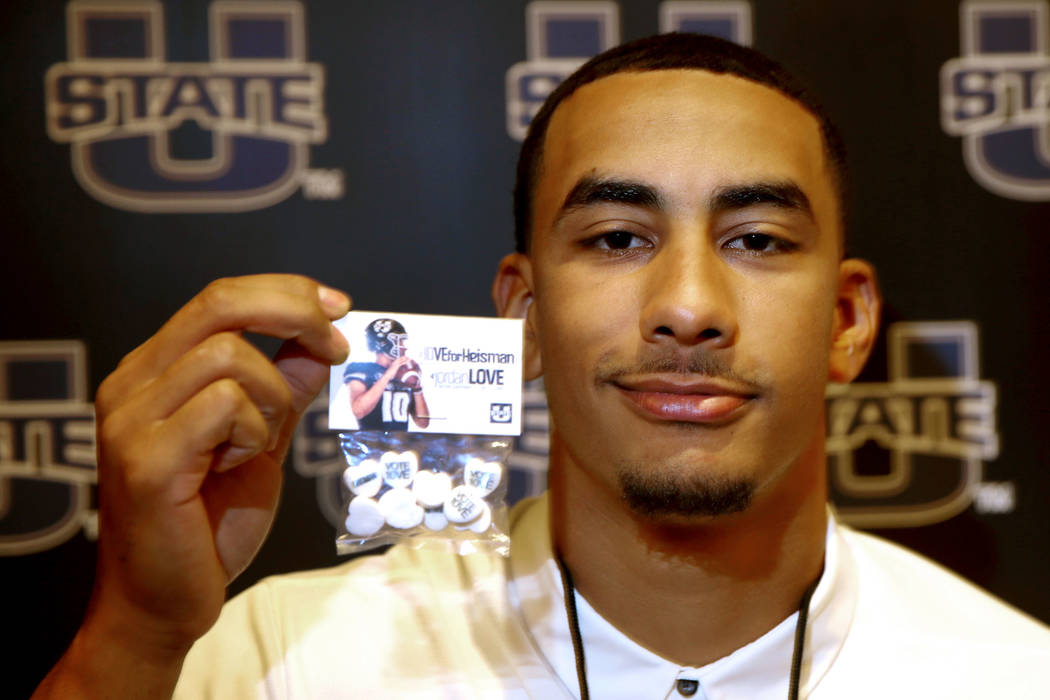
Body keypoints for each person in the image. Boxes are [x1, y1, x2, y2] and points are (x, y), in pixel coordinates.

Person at [34, 33, 1050, 699]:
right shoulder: (275, 664)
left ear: (846, 320)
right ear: (523, 312)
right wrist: (132, 632)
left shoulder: (1014, 676)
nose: (689, 307)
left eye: (756, 240)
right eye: (616, 238)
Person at [344, 317, 430, 430]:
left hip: (400, 441)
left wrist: (417, 387)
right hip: (371, 440)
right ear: (382, 343)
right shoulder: (360, 369)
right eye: (398, 340)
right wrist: (388, 375)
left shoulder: (403, 373)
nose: (403, 346)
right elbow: (359, 411)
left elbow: (423, 423)